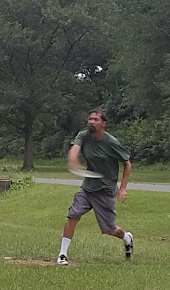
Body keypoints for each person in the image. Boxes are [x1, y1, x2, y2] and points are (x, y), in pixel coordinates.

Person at [57, 109, 133, 265]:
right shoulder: (83, 135)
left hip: (105, 191)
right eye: (90, 119)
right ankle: (62, 255)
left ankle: (127, 238)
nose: (91, 121)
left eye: (96, 119)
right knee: (73, 215)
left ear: (103, 123)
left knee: (110, 229)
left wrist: (123, 188)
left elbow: (127, 163)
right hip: (87, 188)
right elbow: (75, 149)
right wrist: (73, 161)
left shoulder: (111, 142)